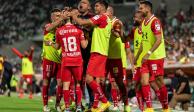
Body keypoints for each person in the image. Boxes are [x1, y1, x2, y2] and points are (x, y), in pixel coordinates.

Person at [70, 0, 112, 111]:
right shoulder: (104, 19)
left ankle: (104, 101)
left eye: (97, 6)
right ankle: (96, 104)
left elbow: (83, 23)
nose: (95, 7)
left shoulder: (101, 17)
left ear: (103, 7)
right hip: (101, 52)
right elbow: (88, 27)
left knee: (88, 79)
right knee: (94, 80)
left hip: (98, 52)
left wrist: (74, 16)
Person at [45, 11, 88, 112]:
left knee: (66, 85)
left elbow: (57, 46)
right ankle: (78, 107)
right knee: (77, 84)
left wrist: (50, 42)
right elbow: (84, 46)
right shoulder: (78, 30)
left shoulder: (59, 31)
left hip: (66, 61)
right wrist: (87, 38)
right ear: (71, 18)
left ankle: (67, 108)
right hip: (77, 60)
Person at [136, 0, 170, 112]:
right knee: (144, 81)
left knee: (159, 82)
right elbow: (146, 40)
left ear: (147, 9)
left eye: (141, 8)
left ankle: (166, 107)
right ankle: (149, 108)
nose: (139, 10)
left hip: (156, 57)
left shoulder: (155, 21)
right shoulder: (144, 22)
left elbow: (158, 39)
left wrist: (149, 53)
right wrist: (139, 56)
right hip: (146, 58)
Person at [105, 5, 132, 112]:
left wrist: (132, 64)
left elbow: (127, 48)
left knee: (120, 83)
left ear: (110, 12)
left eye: (105, 12)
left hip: (120, 60)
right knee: (112, 82)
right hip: (109, 57)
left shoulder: (117, 23)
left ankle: (124, 103)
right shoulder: (105, 23)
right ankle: (116, 103)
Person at [41, 8, 65, 112]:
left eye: (60, 15)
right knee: (46, 82)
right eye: (56, 15)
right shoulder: (48, 26)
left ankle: (57, 104)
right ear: (52, 17)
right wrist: (61, 19)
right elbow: (51, 27)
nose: (59, 17)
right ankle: (45, 105)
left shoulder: (63, 29)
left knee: (60, 83)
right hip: (49, 60)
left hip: (60, 60)